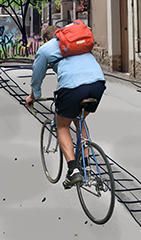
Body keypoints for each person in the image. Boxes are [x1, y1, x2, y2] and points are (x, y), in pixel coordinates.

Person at [24, 24, 106, 189]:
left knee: (62, 126)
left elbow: (37, 77)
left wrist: (33, 96)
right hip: (97, 83)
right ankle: (86, 165)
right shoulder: (76, 42)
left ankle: (73, 170)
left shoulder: (45, 49)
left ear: (46, 39)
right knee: (79, 118)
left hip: (72, 87)